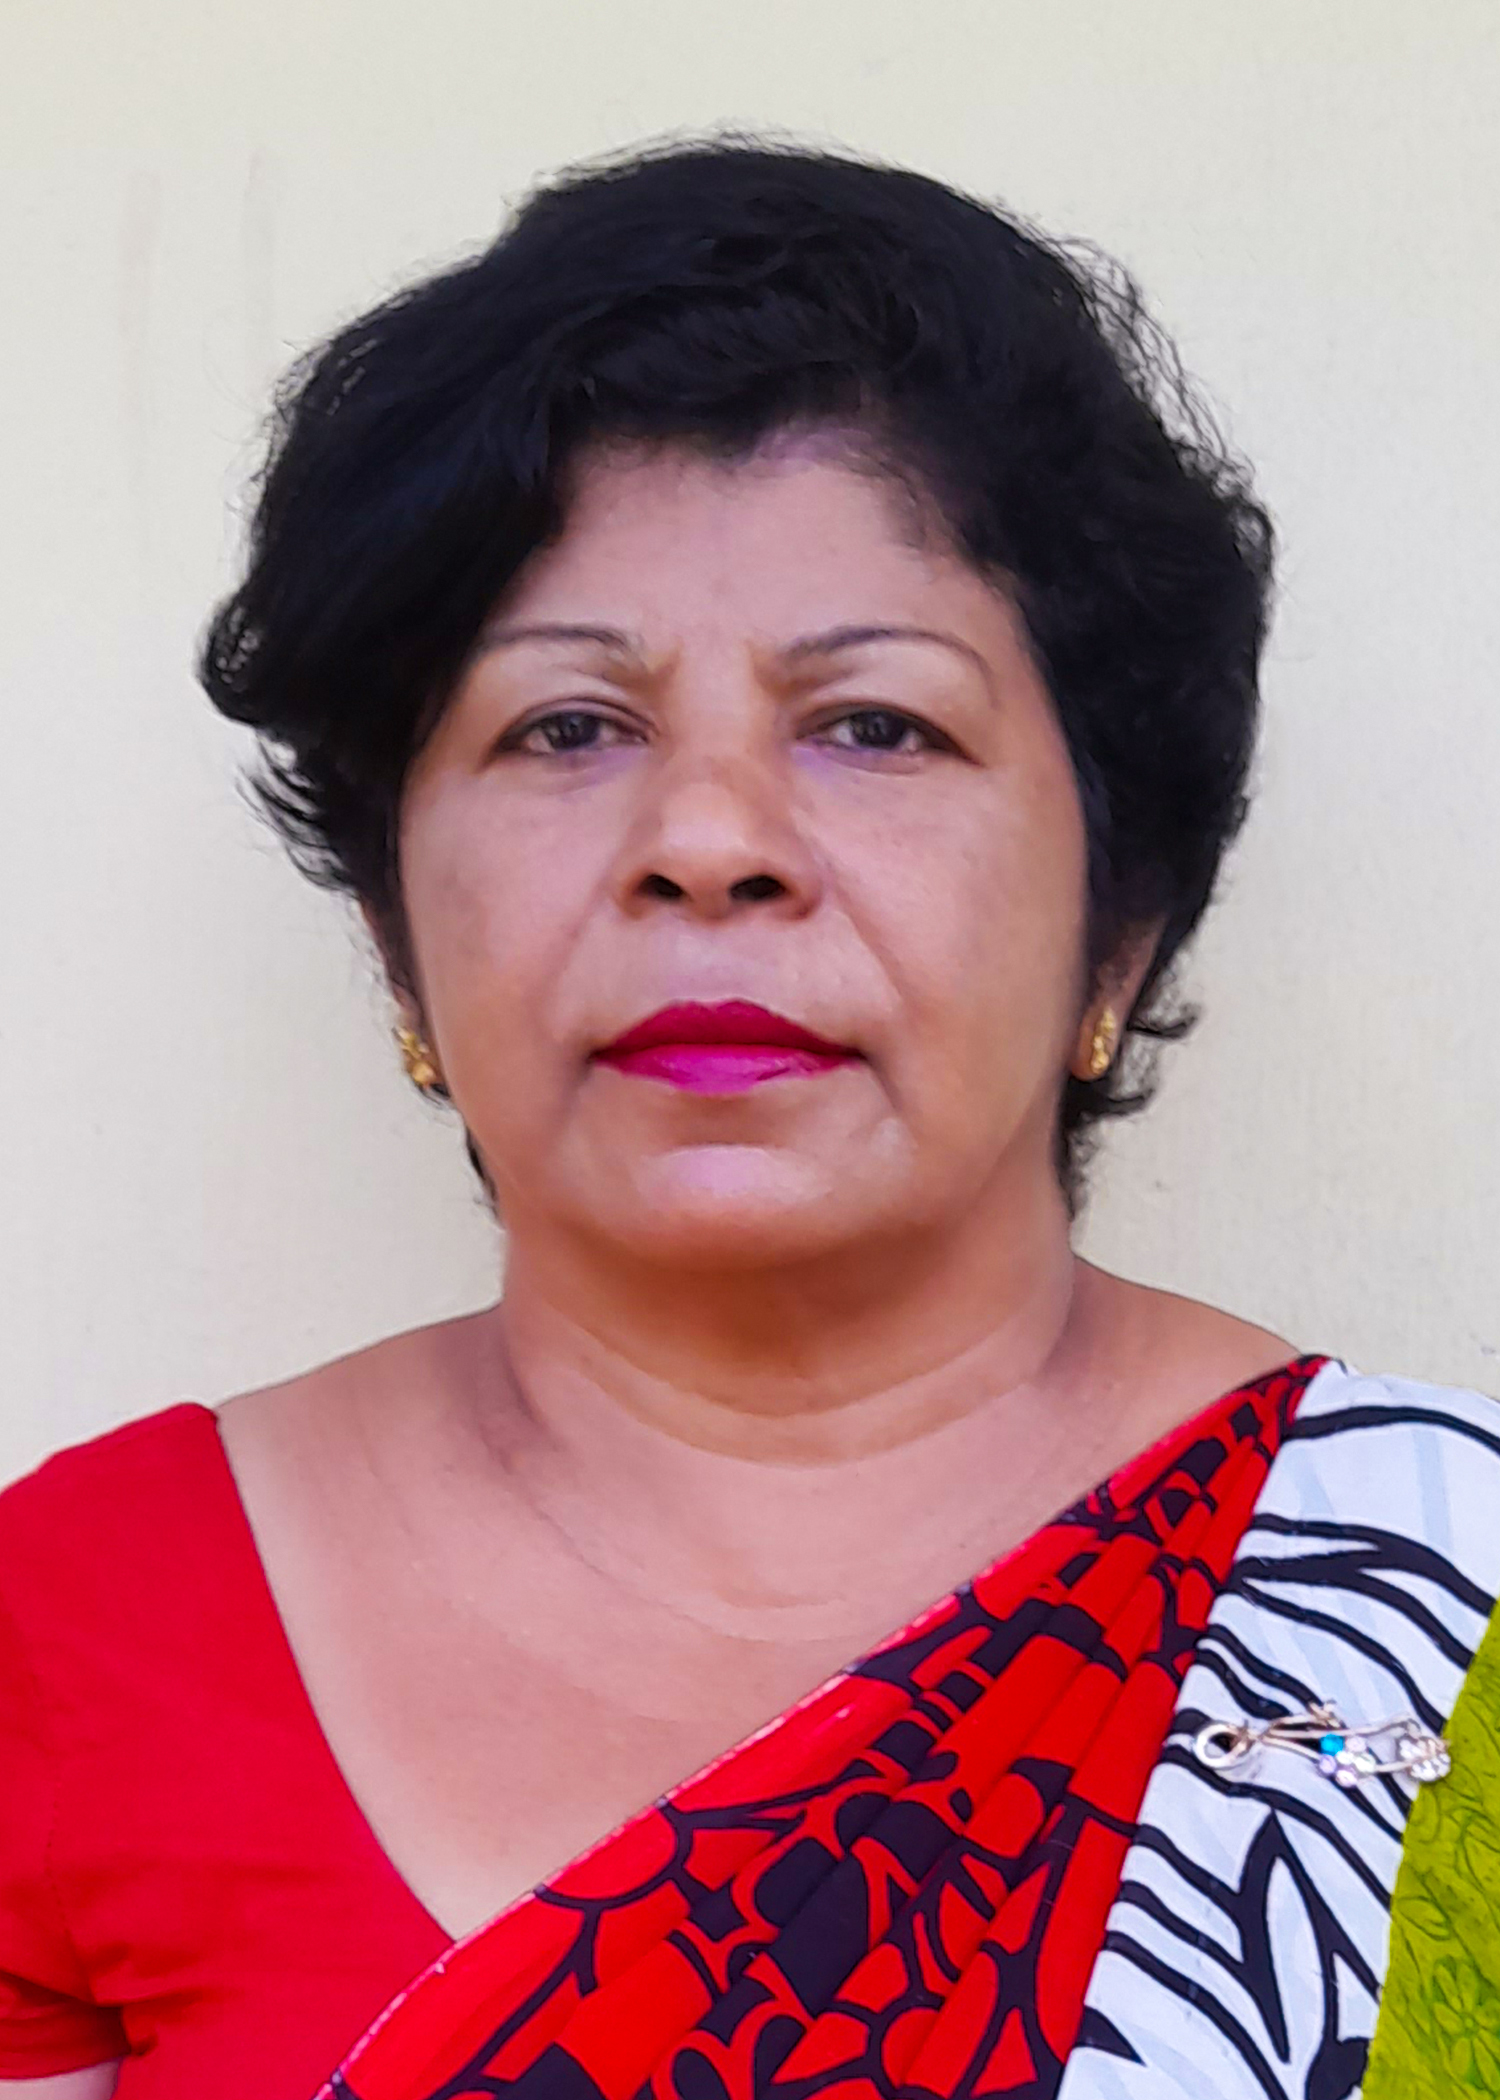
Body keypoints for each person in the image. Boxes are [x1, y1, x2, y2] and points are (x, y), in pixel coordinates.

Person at [1, 137, 1495, 2100]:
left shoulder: (1442, 1605)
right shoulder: (78, 1629)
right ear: (394, 937)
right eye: (566, 727)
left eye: (877, 725)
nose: (709, 842)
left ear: (1118, 924)